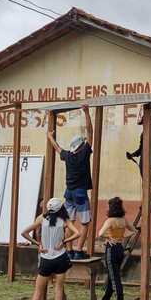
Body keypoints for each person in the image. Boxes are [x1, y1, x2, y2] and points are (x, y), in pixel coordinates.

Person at [46, 104, 93, 260]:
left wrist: (50, 136)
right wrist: (86, 112)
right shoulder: (84, 153)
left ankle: (69, 250)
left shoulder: (68, 156)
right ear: (81, 146)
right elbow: (90, 132)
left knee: (69, 222)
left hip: (69, 193)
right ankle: (79, 250)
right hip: (80, 193)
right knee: (85, 223)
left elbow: (57, 148)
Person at [21, 198, 81, 300]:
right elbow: (77, 233)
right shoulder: (64, 220)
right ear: (61, 208)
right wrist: (65, 241)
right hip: (60, 258)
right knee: (58, 289)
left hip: (45, 258)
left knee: (38, 292)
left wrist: (38, 244)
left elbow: (24, 233)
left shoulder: (41, 218)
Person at [97, 197, 136, 300]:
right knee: (112, 275)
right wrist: (122, 236)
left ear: (111, 207)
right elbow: (134, 231)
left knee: (115, 278)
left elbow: (100, 234)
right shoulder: (123, 219)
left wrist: (108, 237)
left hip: (111, 249)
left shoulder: (110, 220)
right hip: (120, 248)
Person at [127, 105, 151, 186]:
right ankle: (146, 182)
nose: (144, 125)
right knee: (143, 167)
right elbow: (140, 150)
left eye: (145, 122)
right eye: (143, 123)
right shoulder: (143, 134)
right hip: (144, 156)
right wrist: (132, 155)